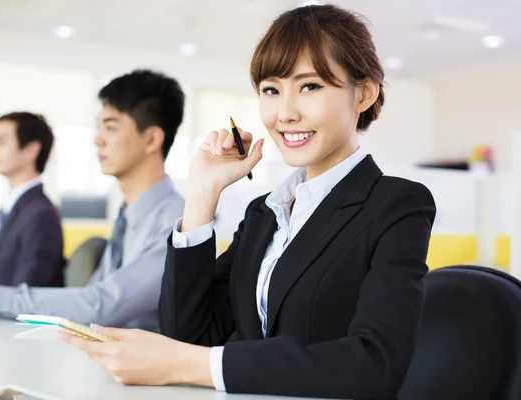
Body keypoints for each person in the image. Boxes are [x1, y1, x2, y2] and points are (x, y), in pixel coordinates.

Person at [60, 5, 436, 399]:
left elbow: (375, 365)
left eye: (310, 86)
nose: (285, 113)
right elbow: (189, 335)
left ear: (364, 93)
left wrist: (191, 364)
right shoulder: (265, 213)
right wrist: (203, 194)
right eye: (271, 90)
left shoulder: (397, 204)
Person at [0, 70, 186, 332]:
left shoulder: (178, 220)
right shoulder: (128, 216)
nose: (97, 139)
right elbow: (94, 298)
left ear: (151, 139)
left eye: (111, 127)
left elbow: (103, 305)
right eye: (98, 127)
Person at [0, 112, 64, 288]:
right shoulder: (9, 210)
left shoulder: (41, 215)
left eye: (2, 141)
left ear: (31, 150)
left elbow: (26, 292)